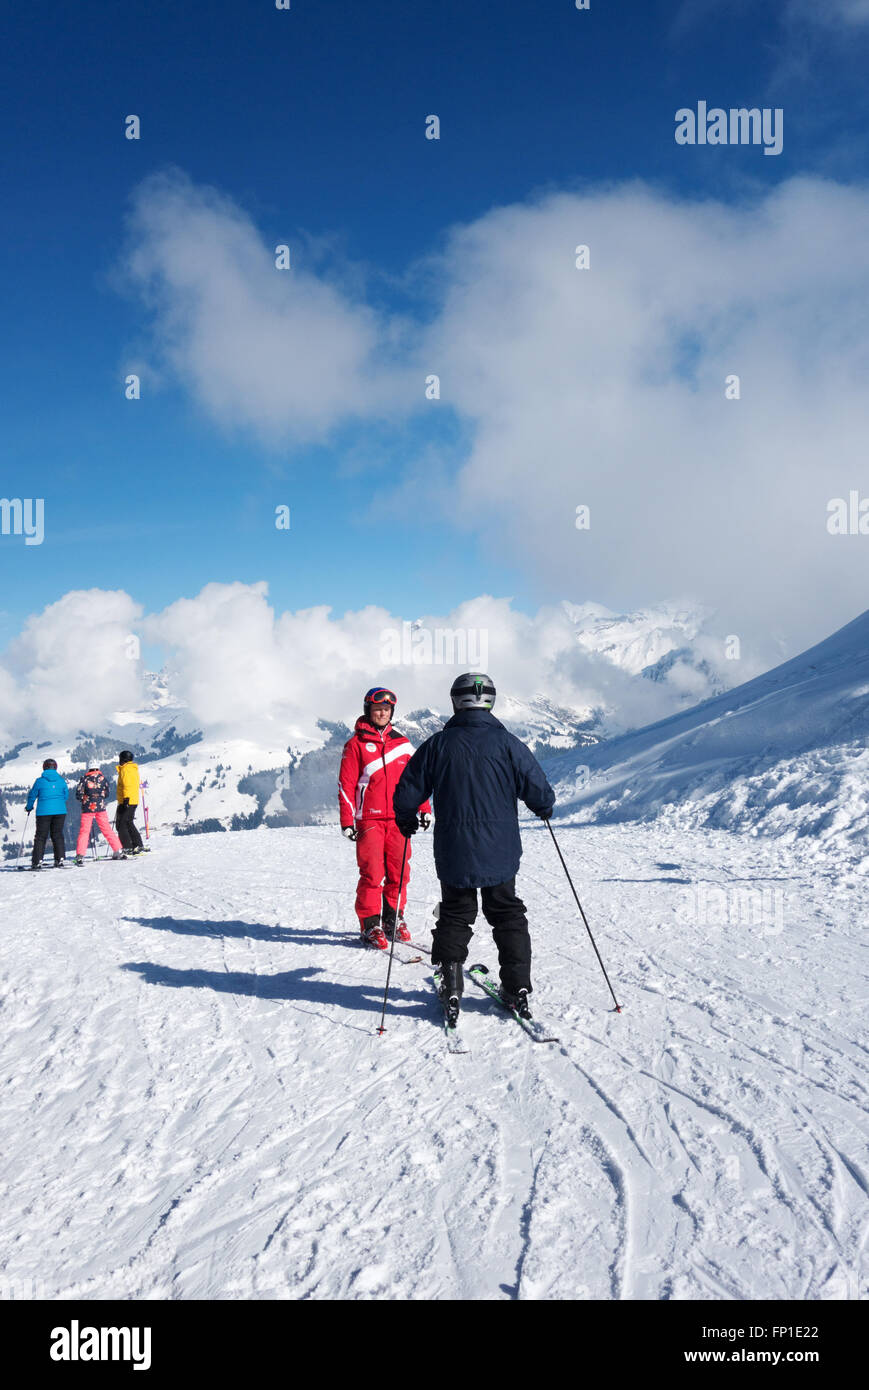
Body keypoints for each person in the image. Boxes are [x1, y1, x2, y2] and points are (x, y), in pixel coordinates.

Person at [393, 672, 554, 1020]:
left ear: (455, 702)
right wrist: (543, 807)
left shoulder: (437, 744)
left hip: (454, 849)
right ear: (490, 702)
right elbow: (538, 790)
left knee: (455, 912)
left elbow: (407, 791)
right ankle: (517, 987)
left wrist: (405, 818)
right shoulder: (509, 744)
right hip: (501, 849)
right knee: (507, 912)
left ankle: (451, 986)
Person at [338, 686, 432, 949]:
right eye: (377, 709)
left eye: (387, 709)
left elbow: (416, 780)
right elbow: (346, 785)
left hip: (400, 819)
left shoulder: (401, 744)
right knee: (373, 873)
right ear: (368, 710)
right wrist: (347, 821)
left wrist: (424, 808)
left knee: (400, 872)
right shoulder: (355, 744)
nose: (382, 713)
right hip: (369, 819)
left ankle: (393, 919)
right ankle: (370, 925)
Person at [74, 762, 126, 864]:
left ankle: (80, 854)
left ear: (88, 768)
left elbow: (78, 795)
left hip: (88, 809)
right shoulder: (103, 779)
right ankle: (118, 850)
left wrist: (85, 799)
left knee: (84, 831)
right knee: (106, 829)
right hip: (101, 807)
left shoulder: (84, 779)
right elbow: (106, 793)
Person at [25, 758, 70, 869]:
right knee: (57, 835)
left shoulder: (39, 781)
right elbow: (66, 795)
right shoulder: (61, 780)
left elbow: (32, 795)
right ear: (55, 767)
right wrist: (58, 803)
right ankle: (59, 859)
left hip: (43, 812)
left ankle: (37, 861)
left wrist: (29, 807)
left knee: (41, 836)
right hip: (60, 811)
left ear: (44, 767)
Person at [116, 750, 147, 854]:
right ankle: (137, 845)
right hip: (132, 800)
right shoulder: (132, 769)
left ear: (123, 759)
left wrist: (125, 800)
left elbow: (127, 785)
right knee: (128, 822)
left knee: (122, 824)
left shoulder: (126, 769)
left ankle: (127, 847)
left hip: (127, 801)